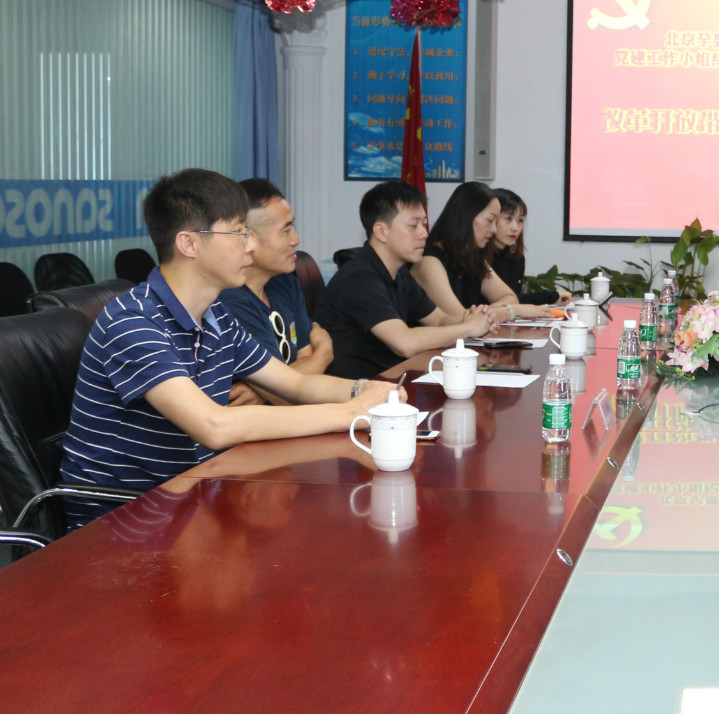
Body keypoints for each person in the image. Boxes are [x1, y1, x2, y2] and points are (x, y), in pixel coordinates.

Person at [58, 169, 397, 527]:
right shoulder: (133, 321)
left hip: (194, 499)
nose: (250, 245)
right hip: (125, 521)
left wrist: (370, 392)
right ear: (189, 244)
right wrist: (351, 413)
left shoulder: (215, 314)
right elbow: (214, 425)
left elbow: (296, 384)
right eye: (238, 233)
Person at [317, 180, 493, 379]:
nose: (424, 234)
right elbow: (405, 343)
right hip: (356, 390)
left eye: (424, 224)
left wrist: (473, 319)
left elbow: (439, 319)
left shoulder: (400, 273)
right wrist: (468, 328)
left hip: (389, 380)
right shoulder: (359, 279)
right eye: (413, 226)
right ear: (381, 231)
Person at [219, 178, 333, 405]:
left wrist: (263, 391)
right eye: (286, 230)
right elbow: (286, 396)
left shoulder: (286, 284)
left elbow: (302, 363)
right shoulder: (228, 299)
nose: (296, 239)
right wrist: (324, 353)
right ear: (247, 237)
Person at [413, 182, 558, 325]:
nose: (494, 230)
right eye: (490, 220)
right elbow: (461, 320)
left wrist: (488, 312)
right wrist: (512, 310)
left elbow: (509, 297)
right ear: (467, 216)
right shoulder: (428, 261)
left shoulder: (472, 256)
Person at [488, 187, 569, 306]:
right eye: (508, 218)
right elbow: (499, 303)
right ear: (491, 219)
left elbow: (513, 301)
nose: (515, 227)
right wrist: (549, 296)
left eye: (520, 220)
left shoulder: (517, 258)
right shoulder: (477, 258)